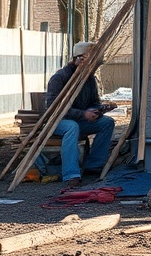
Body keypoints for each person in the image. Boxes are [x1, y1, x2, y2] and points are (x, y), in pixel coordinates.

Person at [46, 41, 116, 188]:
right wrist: (82, 114)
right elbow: (54, 108)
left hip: (80, 119)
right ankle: (71, 175)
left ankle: (93, 165)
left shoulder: (89, 79)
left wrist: (98, 110)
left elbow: (94, 101)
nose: (92, 67)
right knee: (72, 128)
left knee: (107, 123)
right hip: (59, 121)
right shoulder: (60, 77)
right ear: (78, 59)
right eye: (89, 62)